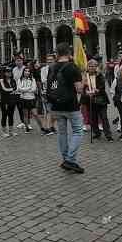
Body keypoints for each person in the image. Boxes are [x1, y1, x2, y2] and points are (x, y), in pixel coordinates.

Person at [46, 43, 85, 173]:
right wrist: (83, 80)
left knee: (62, 133)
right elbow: (79, 89)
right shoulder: (72, 67)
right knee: (78, 131)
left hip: (55, 105)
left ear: (57, 53)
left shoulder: (51, 68)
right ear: (69, 53)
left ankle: (66, 159)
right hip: (70, 105)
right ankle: (70, 159)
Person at [81, 59, 112, 141]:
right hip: (89, 100)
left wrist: (95, 91)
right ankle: (97, 133)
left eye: (93, 66)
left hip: (100, 100)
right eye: (90, 66)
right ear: (87, 67)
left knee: (104, 117)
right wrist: (85, 90)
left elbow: (102, 87)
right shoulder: (85, 76)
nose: (91, 68)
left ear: (96, 67)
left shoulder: (100, 75)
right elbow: (82, 89)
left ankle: (108, 135)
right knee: (93, 118)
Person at [17, 66, 38, 133]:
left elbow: (34, 89)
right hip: (23, 98)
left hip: (31, 98)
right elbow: (19, 89)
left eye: (28, 71)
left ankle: (40, 126)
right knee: (25, 114)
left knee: (35, 113)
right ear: (23, 72)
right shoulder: (20, 80)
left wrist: (24, 90)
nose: (27, 72)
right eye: (25, 71)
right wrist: (28, 88)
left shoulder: (33, 79)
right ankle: (27, 127)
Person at [39, 54, 56, 135]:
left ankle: (52, 126)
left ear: (54, 60)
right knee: (48, 110)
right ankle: (48, 127)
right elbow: (44, 80)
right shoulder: (43, 69)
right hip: (46, 92)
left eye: (51, 60)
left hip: (56, 92)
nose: (49, 61)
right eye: (48, 60)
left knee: (55, 111)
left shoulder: (57, 68)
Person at [0, 68, 18, 138]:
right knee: (4, 115)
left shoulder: (13, 80)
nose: (9, 73)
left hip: (12, 101)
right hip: (4, 101)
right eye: (7, 72)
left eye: (10, 72)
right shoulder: (1, 81)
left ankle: (11, 131)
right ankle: (3, 131)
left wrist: (12, 90)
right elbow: (4, 90)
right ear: (4, 73)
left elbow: (16, 88)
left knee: (11, 116)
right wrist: (12, 90)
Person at [11, 55, 26, 129]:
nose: (18, 62)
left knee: (25, 108)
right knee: (19, 108)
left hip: (25, 91)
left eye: (19, 60)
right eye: (16, 61)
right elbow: (14, 80)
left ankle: (27, 122)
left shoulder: (25, 68)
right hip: (17, 91)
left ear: (22, 61)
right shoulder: (14, 69)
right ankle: (22, 122)